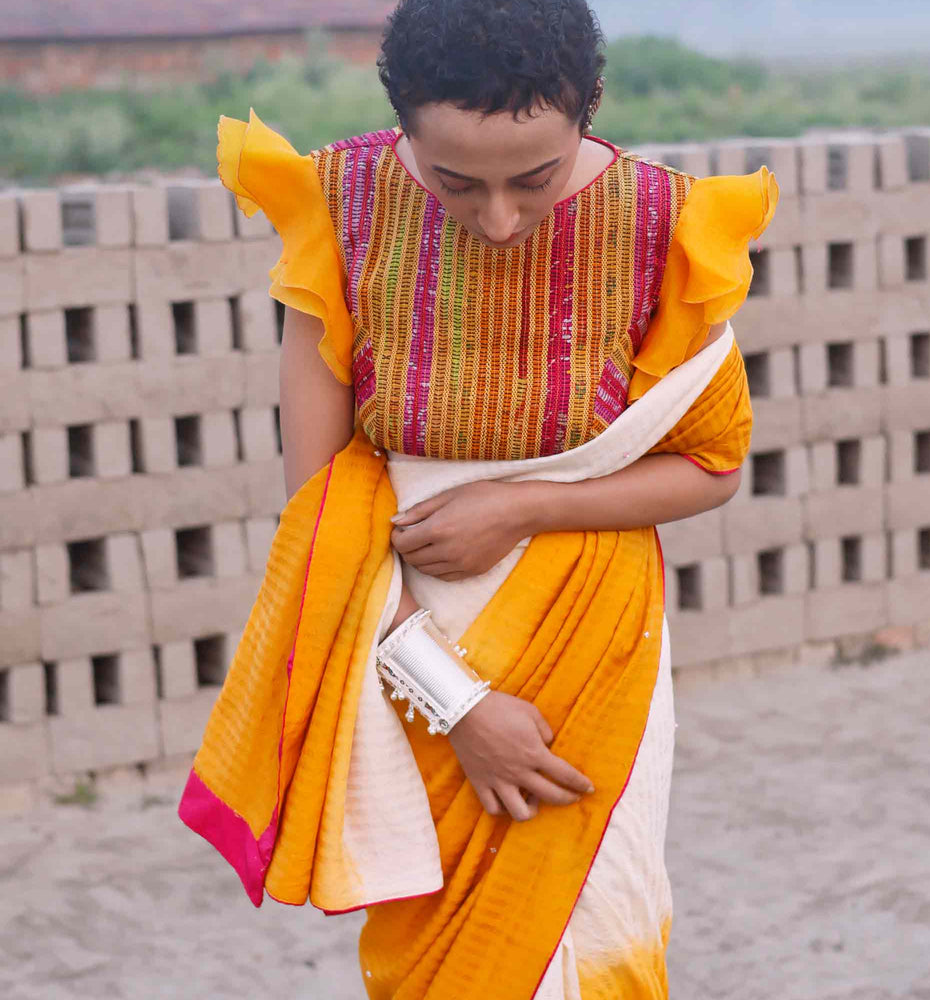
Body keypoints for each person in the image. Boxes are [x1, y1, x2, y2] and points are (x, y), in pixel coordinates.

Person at [178, 1, 778, 997]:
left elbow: (711, 465)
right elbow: (322, 519)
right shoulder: (341, 205)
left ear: (589, 110)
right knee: (441, 959)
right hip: (397, 630)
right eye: (455, 182)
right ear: (402, 123)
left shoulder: (665, 224)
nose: (498, 219)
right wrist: (455, 703)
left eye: (534, 179)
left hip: (592, 643)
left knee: (600, 922)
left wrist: (521, 506)